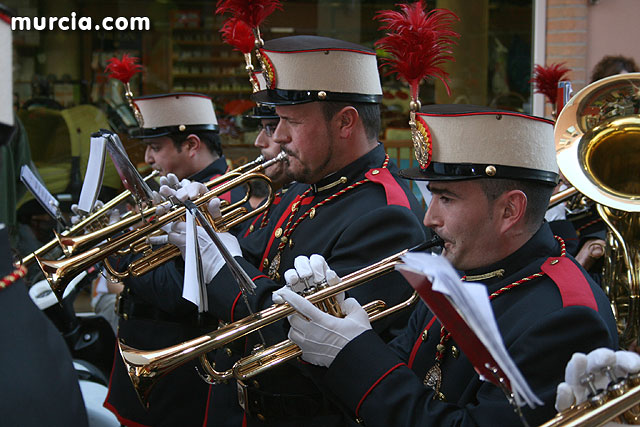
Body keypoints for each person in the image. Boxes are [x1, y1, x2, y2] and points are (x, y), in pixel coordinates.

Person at [274, 104, 619, 426]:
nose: (429, 217)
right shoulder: (461, 269)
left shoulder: (566, 317)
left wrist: (353, 354)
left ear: (510, 211)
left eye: (446, 198)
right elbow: (400, 374)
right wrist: (332, 328)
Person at [167, 35, 428, 426]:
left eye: (291, 121)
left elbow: (303, 334)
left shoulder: (386, 214)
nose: (277, 137)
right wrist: (207, 224)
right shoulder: (307, 187)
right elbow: (253, 258)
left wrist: (218, 262)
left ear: (344, 122)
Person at [104, 92, 244, 426]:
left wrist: (119, 252)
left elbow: (179, 293)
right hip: (145, 353)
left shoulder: (221, 197)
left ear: (192, 144)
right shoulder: (178, 188)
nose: (149, 159)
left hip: (179, 380)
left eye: (157, 147)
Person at [0, 4, 89, 425]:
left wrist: (54, 214)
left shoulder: (13, 126)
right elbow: (29, 179)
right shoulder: (13, 124)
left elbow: (27, 179)